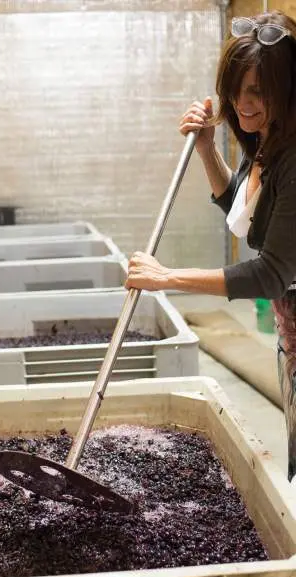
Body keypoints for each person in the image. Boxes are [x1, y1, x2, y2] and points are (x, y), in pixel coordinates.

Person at [125, 10, 296, 485]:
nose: (242, 104)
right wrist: (206, 147)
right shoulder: (267, 139)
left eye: (258, 92)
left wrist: (168, 278)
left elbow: (270, 272)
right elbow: (247, 218)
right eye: (236, 89)